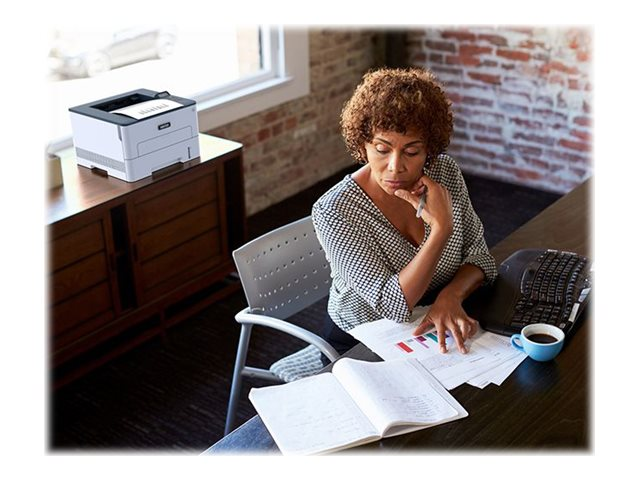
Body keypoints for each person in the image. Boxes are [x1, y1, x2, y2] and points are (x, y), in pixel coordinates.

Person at [312, 67, 497, 357]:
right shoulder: (335, 210)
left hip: (437, 314)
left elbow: (480, 257)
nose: (395, 166)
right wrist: (441, 229)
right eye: (382, 149)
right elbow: (393, 305)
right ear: (363, 144)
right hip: (362, 339)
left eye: (411, 152)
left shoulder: (445, 173)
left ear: (429, 150)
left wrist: (450, 295)